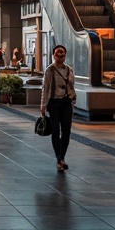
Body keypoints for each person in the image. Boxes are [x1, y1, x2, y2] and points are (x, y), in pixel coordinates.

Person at [39, 44, 78, 172]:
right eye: (58, 53)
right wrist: (43, 105)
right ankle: (59, 159)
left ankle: (62, 157)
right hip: (54, 104)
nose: (60, 56)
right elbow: (45, 88)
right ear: (53, 55)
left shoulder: (69, 70)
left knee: (66, 131)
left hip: (66, 103)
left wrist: (73, 97)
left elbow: (71, 85)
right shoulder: (50, 70)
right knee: (56, 131)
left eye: (62, 53)